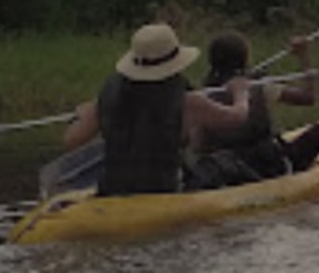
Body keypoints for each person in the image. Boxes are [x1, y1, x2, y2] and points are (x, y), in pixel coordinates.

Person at [63, 23, 253, 196]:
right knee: (224, 163)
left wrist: (86, 115)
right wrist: (240, 92)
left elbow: (71, 140)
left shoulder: (109, 96)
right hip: (162, 193)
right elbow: (236, 117)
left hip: (112, 192)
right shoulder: (188, 101)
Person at [185, 32, 319, 189]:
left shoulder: (205, 97)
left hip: (230, 173)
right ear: (244, 59)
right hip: (270, 166)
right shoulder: (260, 87)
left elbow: (198, 146)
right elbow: (308, 97)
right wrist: (303, 56)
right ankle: (293, 168)